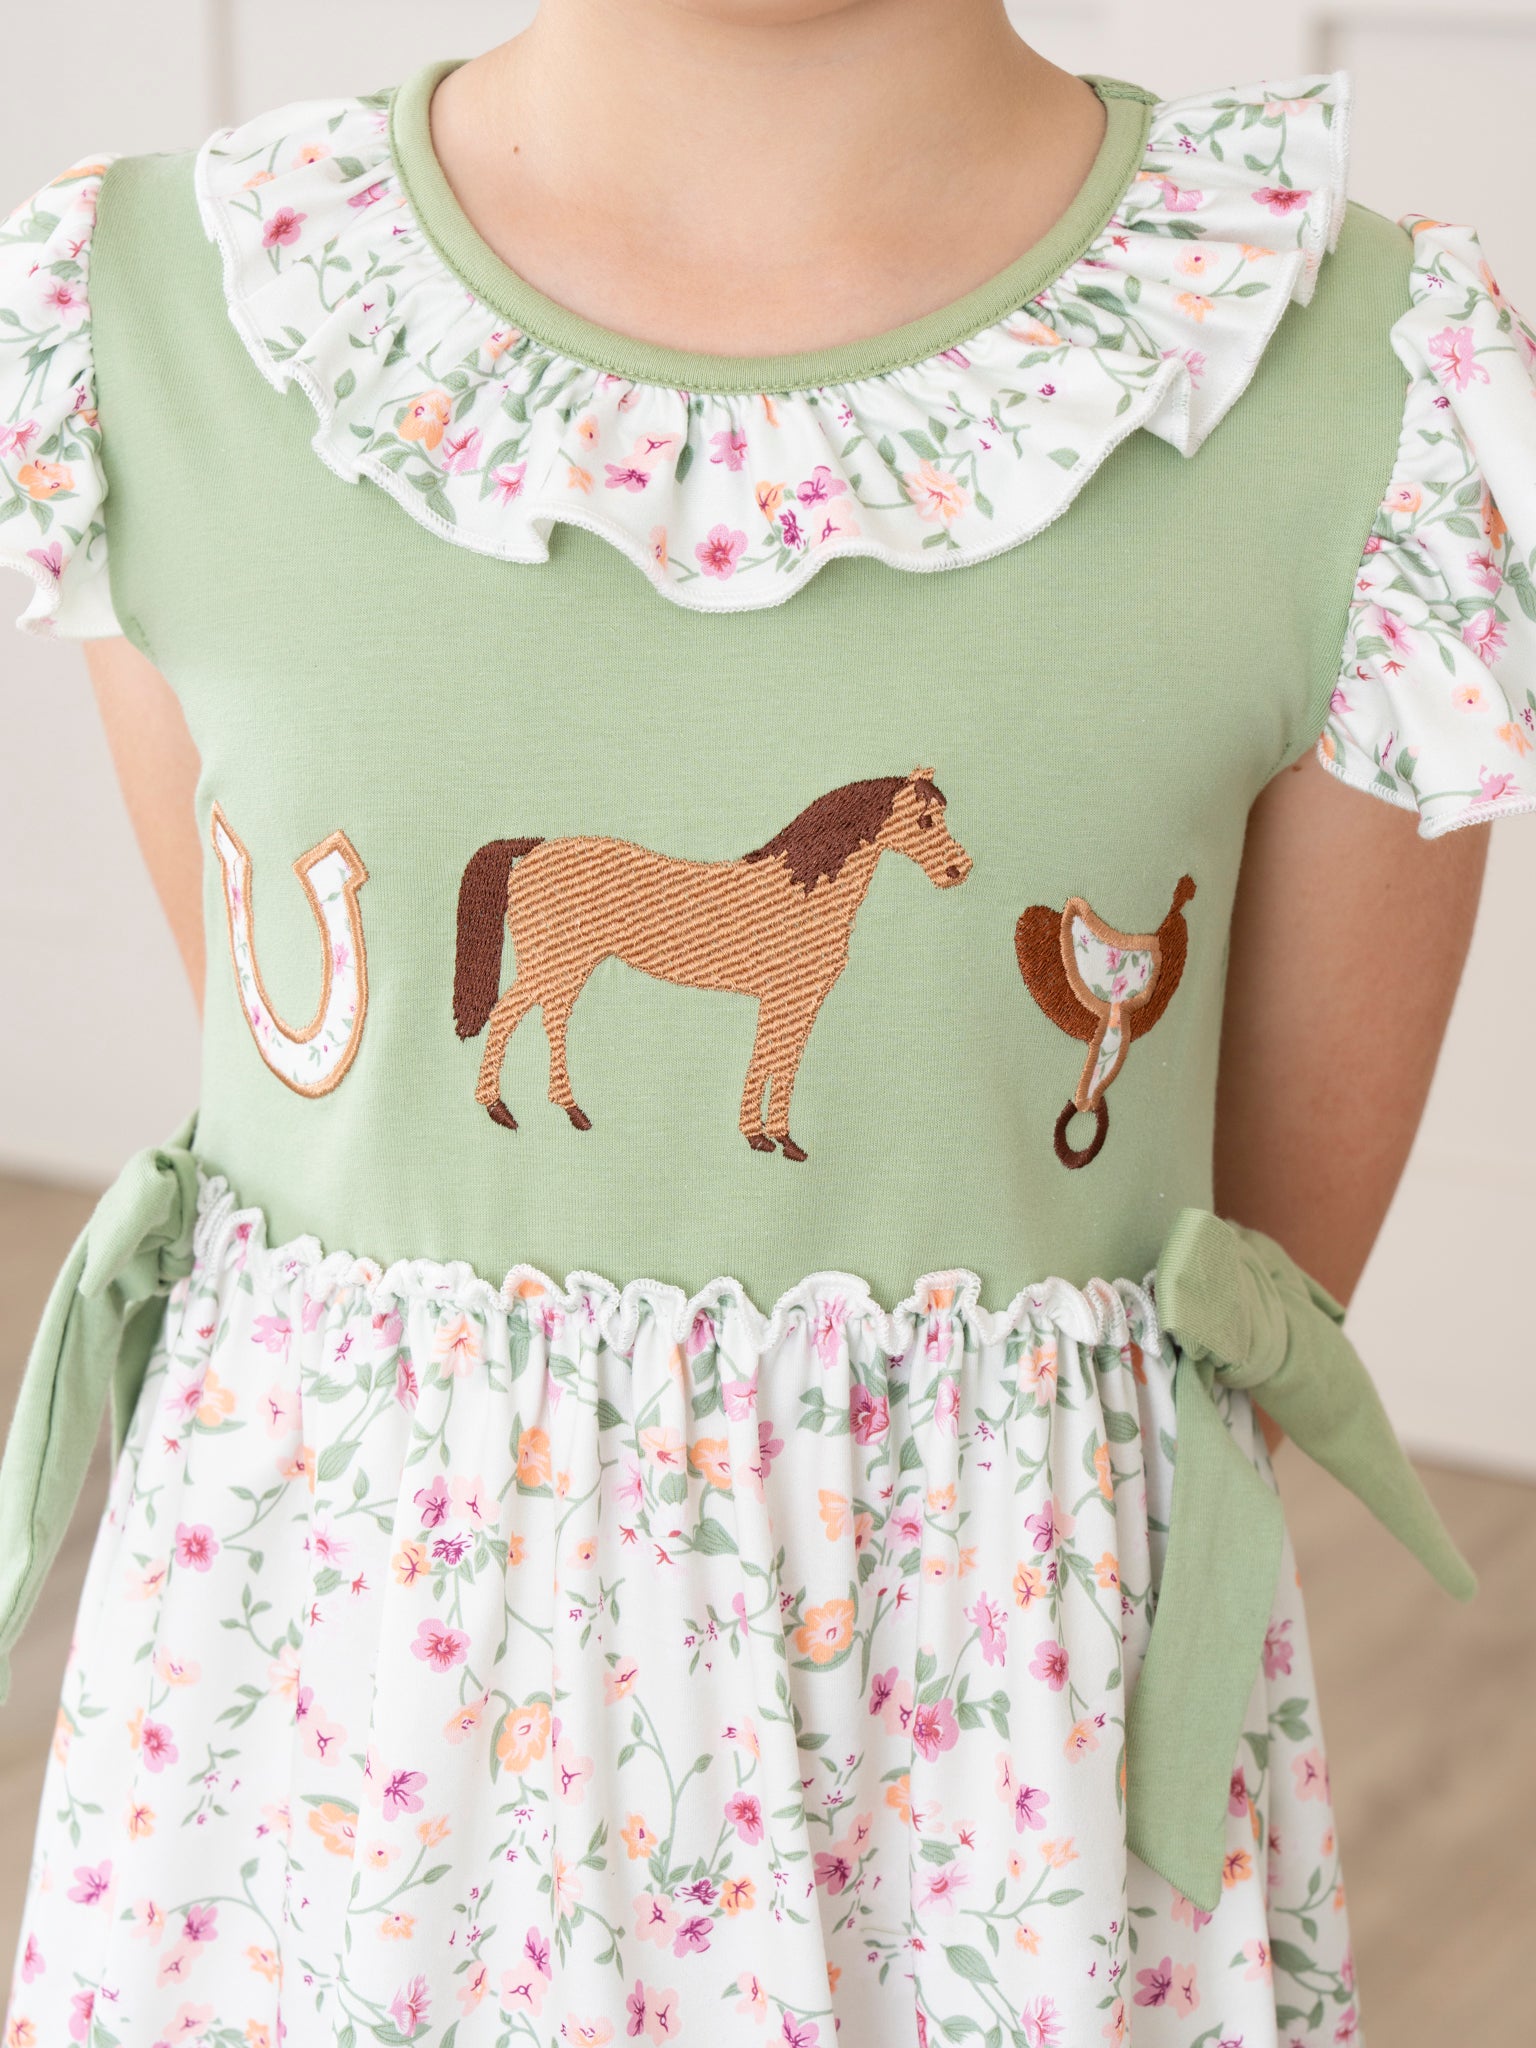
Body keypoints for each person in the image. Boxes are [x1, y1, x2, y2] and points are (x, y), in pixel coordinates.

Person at [0, 3, 1529, 2043]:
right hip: (337, 1789)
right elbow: (322, 1078)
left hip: (976, 1823)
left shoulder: (1357, 385)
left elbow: (1252, 1261)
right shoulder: (165, 316)